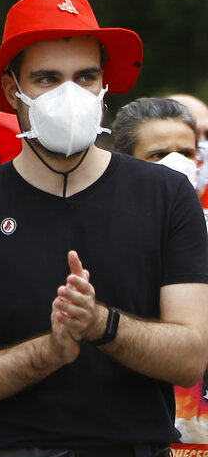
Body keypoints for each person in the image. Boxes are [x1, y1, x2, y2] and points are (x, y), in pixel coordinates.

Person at [0, 0, 208, 451]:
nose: (70, 95)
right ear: (12, 90)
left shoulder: (167, 196)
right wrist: (48, 352)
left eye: (86, 77)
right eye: (48, 79)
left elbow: (191, 359)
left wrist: (101, 325)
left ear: (104, 85)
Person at [112, 96, 208, 444]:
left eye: (186, 152)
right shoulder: (105, 238)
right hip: (138, 431)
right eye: (158, 154)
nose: (177, 163)